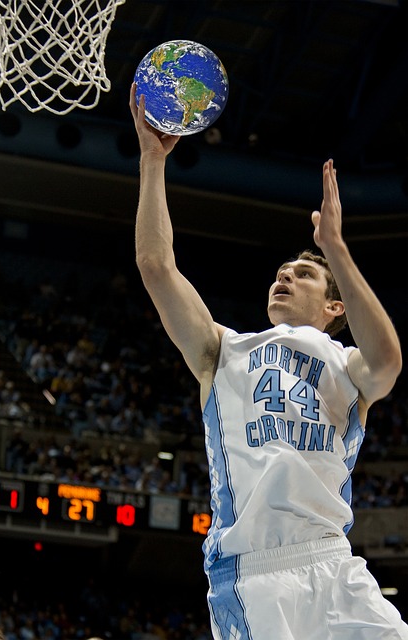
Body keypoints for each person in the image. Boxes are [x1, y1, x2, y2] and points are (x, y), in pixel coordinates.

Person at [129, 83, 407, 639]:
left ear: (334, 305)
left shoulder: (347, 365)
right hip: (255, 570)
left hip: (334, 561)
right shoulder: (222, 350)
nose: (284, 275)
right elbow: (156, 266)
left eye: (303, 273)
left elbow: (389, 362)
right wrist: (152, 162)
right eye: (281, 271)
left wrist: (336, 248)